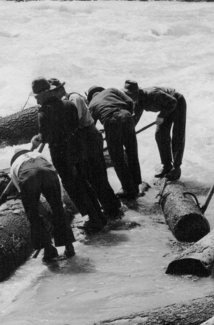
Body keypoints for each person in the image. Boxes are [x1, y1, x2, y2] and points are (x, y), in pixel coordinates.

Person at [30, 77, 106, 231]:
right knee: (83, 181)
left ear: (44, 94)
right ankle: (99, 215)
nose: (37, 100)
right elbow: (75, 125)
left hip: (60, 151)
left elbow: (45, 137)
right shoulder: (69, 104)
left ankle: (92, 219)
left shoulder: (44, 111)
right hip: (76, 146)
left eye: (37, 96)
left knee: (72, 184)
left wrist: (36, 140)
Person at [49, 78, 121, 218]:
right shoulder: (66, 102)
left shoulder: (73, 98)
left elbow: (74, 120)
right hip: (83, 138)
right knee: (91, 175)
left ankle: (112, 208)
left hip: (89, 136)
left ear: (60, 90)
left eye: (53, 92)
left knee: (97, 174)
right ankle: (108, 207)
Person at [0, 150, 75, 262]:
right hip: (48, 170)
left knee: (33, 214)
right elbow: (56, 196)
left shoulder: (14, 169)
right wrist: (54, 212)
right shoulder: (39, 155)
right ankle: (69, 246)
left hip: (28, 175)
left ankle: (48, 249)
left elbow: (35, 205)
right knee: (58, 208)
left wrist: (46, 215)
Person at [87, 85, 142, 200]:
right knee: (132, 152)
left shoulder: (92, 104)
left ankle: (128, 189)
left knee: (117, 158)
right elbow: (130, 101)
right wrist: (128, 114)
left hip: (111, 121)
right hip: (127, 116)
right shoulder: (111, 90)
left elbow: (91, 124)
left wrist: (104, 128)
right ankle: (137, 185)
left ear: (91, 96)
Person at [123, 80, 186, 181]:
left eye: (130, 95)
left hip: (177, 102)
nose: (128, 97)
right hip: (166, 107)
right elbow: (135, 119)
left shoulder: (153, 94)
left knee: (178, 135)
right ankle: (167, 166)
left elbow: (173, 102)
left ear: (136, 92)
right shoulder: (137, 102)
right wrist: (126, 132)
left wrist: (161, 116)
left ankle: (176, 168)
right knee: (160, 135)